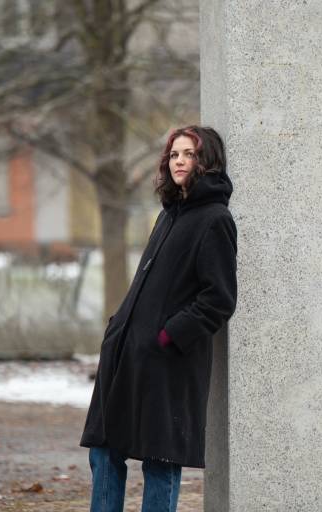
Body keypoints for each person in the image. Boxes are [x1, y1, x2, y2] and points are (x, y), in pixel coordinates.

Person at [79, 125, 238, 511]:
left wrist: (169, 336)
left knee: (160, 461)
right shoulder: (169, 215)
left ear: (207, 161)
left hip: (168, 363)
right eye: (174, 155)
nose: (179, 161)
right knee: (104, 451)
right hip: (127, 355)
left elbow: (219, 299)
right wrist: (119, 327)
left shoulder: (215, 219)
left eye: (189, 154)